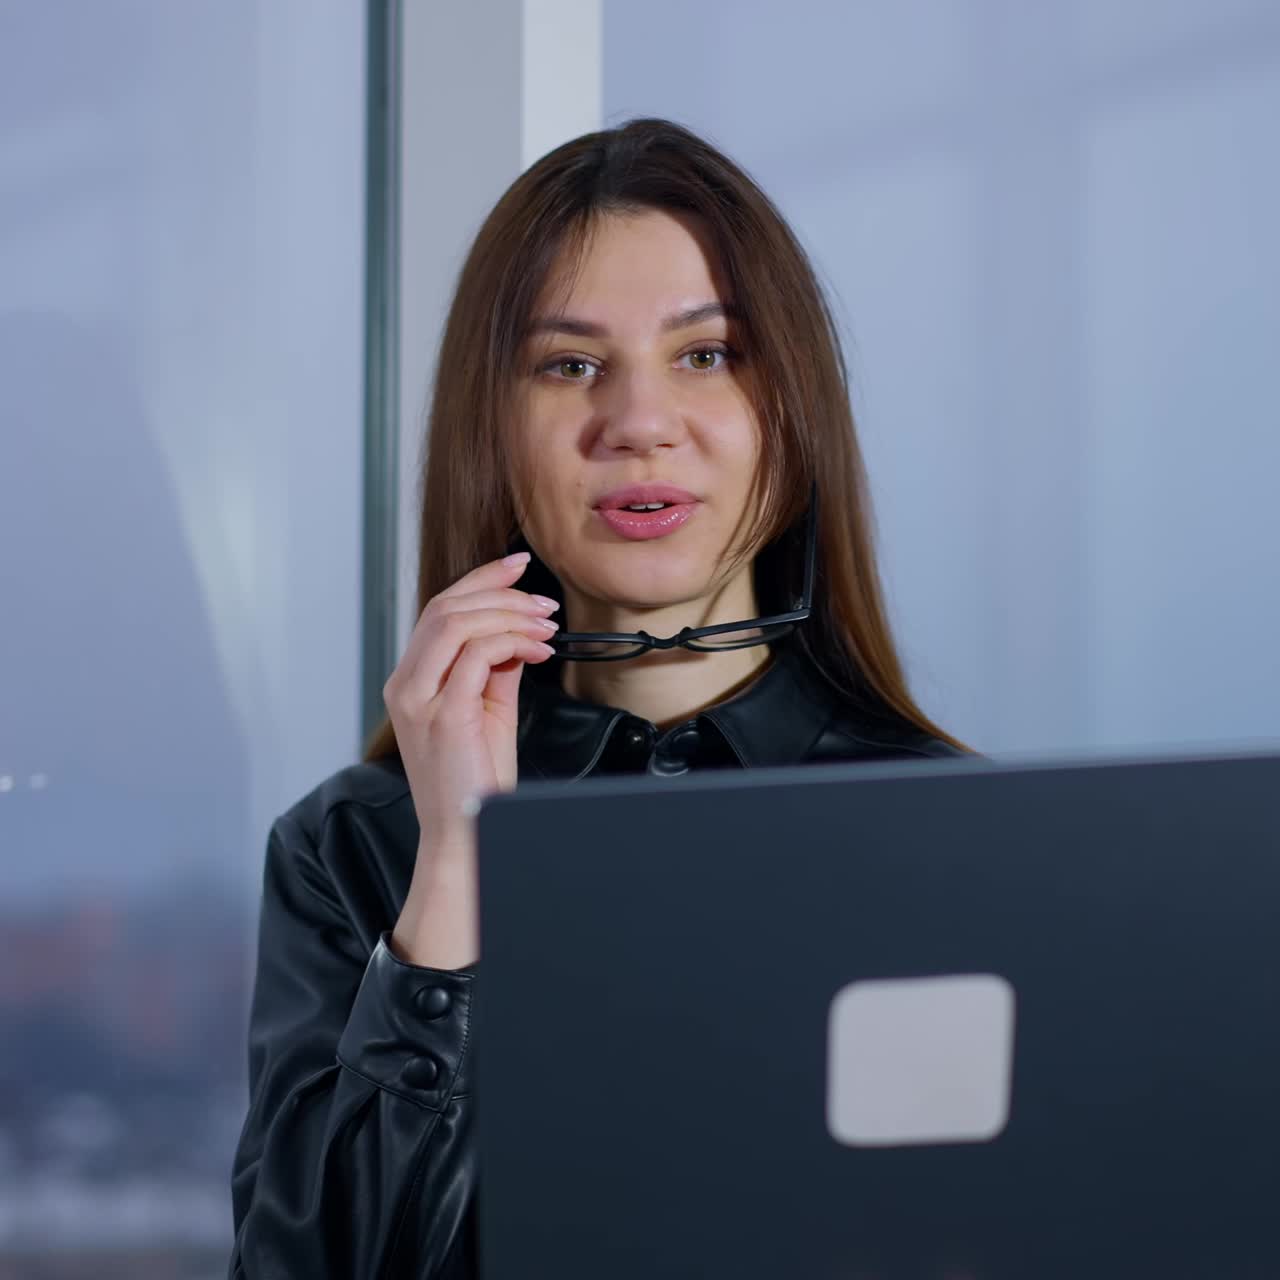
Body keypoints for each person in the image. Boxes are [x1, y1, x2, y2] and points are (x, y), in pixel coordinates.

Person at [226, 116, 969, 1278]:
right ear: (495, 427)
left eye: (707, 353)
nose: (636, 424)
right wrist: (460, 867)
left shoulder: (959, 833)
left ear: (794, 405)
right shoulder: (350, 848)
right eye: (568, 364)